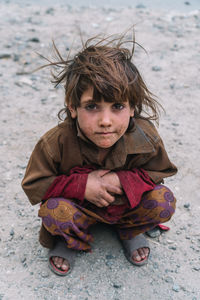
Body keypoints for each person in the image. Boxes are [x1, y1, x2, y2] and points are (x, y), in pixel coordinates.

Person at [21, 33, 177, 276]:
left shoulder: (145, 136)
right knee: (54, 212)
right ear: (73, 107)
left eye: (118, 106)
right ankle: (73, 239)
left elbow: (160, 171)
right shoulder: (56, 142)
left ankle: (129, 230)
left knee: (163, 200)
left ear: (133, 107)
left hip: (126, 206)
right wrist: (82, 186)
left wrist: (123, 181)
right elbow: (34, 184)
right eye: (92, 107)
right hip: (78, 208)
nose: (106, 121)